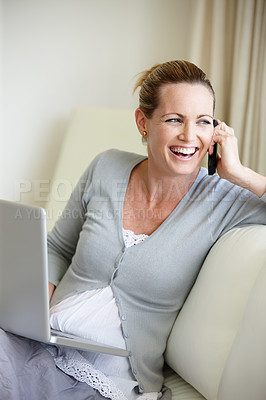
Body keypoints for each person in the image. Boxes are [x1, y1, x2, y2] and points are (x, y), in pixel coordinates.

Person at [1, 60, 266, 400]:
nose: (189, 136)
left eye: (203, 121)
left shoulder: (224, 199)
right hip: (44, 341)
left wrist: (241, 173)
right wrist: (29, 312)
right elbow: (58, 249)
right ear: (144, 122)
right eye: (174, 120)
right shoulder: (107, 166)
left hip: (112, 375)